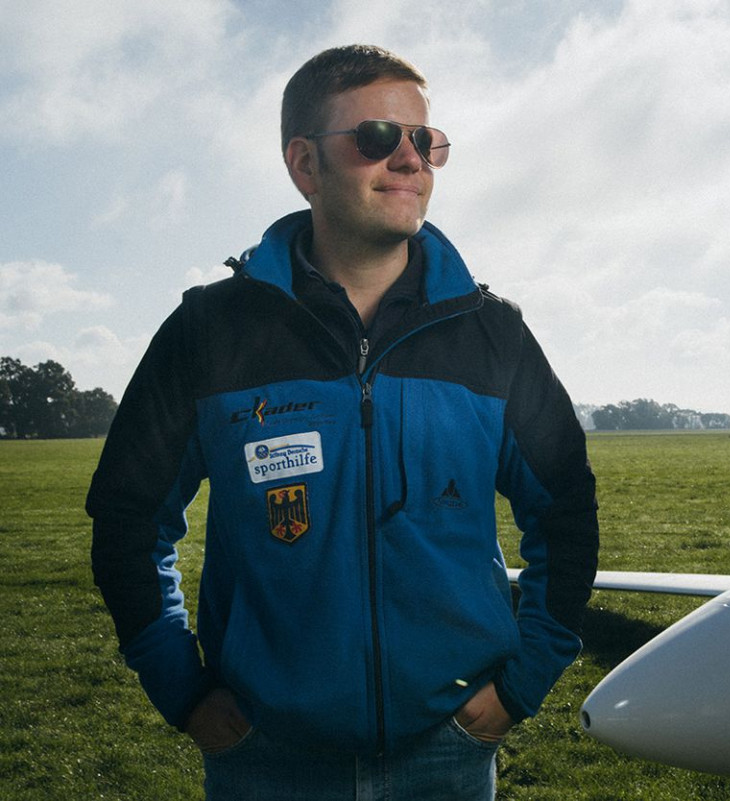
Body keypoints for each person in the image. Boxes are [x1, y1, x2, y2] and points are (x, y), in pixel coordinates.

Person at [87, 44, 599, 800]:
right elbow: (130, 519)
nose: (409, 159)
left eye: (425, 141)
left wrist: (520, 687)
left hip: (448, 753)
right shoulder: (208, 331)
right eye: (377, 138)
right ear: (303, 164)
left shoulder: (494, 335)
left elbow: (565, 510)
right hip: (264, 756)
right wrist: (183, 688)